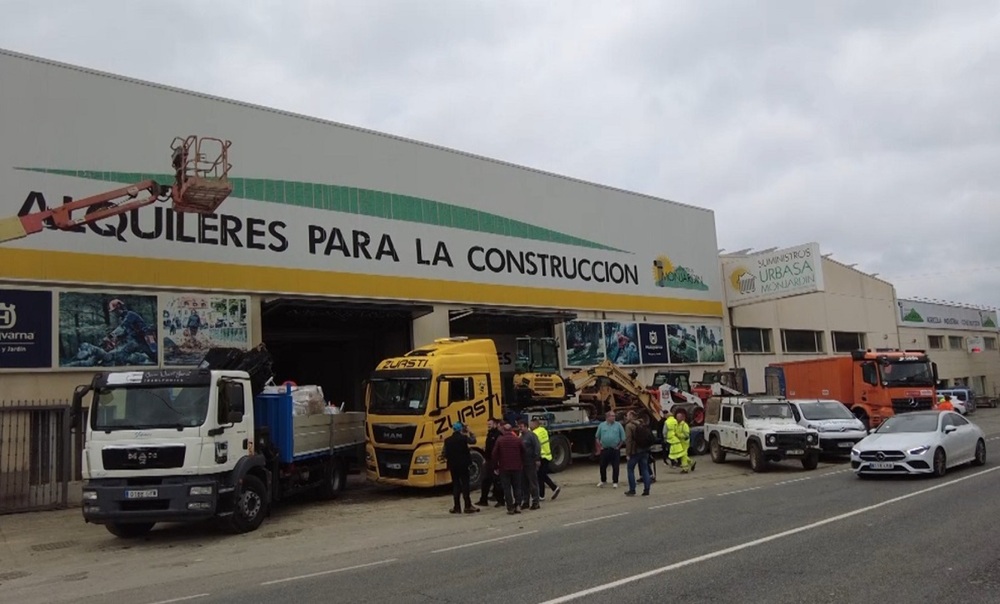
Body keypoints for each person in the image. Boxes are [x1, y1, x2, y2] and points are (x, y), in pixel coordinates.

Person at [443, 421, 479, 514]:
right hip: (464, 465)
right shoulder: (463, 438)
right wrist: (470, 431)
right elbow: (473, 441)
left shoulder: (447, 440)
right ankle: (467, 506)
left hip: (453, 465)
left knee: (456, 485)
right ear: (461, 429)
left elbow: (444, 454)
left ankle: (456, 507)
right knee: (465, 484)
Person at [493, 423, 525, 515]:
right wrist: (521, 462)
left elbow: (494, 454)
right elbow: (523, 451)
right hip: (517, 467)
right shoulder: (517, 440)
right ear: (511, 430)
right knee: (517, 487)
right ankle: (518, 505)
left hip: (504, 467)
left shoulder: (500, 440)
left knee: (507, 488)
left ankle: (510, 508)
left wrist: (495, 467)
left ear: (503, 430)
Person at [531, 417, 561, 501]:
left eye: (532, 424)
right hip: (547, 455)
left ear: (536, 424)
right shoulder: (543, 430)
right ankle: (544, 494)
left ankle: (553, 488)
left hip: (541, 456)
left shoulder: (535, 433)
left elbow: (533, 443)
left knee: (541, 475)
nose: (530, 426)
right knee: (541, 476)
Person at [624, 411, 652, 496]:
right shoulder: (642, 423)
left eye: (627, 415)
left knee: (630, 469)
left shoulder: (629, 426)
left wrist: (628, 453)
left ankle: (632, 489)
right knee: (644, 469)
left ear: (631, 416)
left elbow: (628, 440)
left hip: (635, 451)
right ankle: (646, 489)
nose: (626, 417)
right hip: (645, 450)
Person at [476, 418, 504, 507]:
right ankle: (483, 499)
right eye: (488, 424)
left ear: (495, 424)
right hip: (488, 460)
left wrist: (498, 462)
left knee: (497, 481)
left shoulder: (498, 435)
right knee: (485, 481)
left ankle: (501, 500)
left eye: (490, 424)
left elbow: (498, 449)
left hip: (495, 461)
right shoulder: (490, 434)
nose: (488, 426)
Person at [594, 411, 626, 487]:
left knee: (615, 466)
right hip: (604, 449)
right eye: (612, 416)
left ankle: (615, 482)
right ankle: (603, 480)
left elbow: (623, 438)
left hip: (614, 449)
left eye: (614, 416)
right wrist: (600, 446)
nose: (613, 417)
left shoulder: (618, 425)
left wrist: (618, 446)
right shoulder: (602, 425)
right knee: (602, 466)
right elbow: (597, 437)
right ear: (607, 417)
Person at [517, 418, 541, 510]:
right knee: (524, 484)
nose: (520, 428)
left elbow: (537, 447)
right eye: (519, 427)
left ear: (526, 427)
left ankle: (535, 502)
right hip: (523, 463)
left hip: (531, 462)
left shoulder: (531, 436)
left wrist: (537, 459)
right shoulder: (520, 437)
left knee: (533, 483)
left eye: (521, 427)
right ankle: (525, 502)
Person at [667, 408, 696, 473]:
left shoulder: (684, 425)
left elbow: (686, 435)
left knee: (683, 455)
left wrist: (678, 435)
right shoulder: (678, 424)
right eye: (677, 417)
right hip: (680, 442)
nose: (677, 418)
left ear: (682, 418)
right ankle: (692, 463)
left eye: (678, 417)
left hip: (685, 442)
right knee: (683, 455)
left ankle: (685, 469)